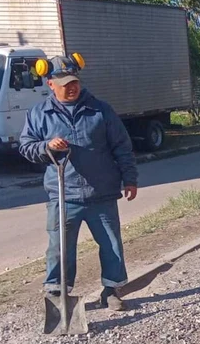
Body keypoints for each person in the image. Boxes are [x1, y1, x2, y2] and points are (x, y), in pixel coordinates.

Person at [19, 55, 138, 311]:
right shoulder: (39, 114)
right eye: (64, 83)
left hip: (102, 192)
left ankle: (111, 290)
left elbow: (122, 147)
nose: (71, 87)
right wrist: (46, 146)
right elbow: (26, 147)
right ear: (50, 84)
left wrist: (130, 179)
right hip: (63, 194)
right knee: (60, 249)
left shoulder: (100, 110)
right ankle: (58, 295)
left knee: (111, 245)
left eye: (74, 82)